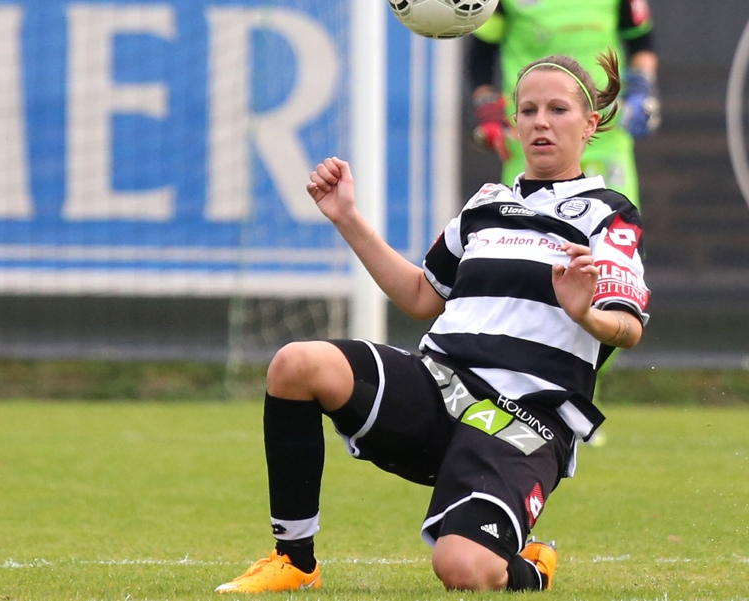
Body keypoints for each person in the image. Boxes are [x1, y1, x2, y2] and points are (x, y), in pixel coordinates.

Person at [215, 50, 650, 594]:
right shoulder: (486, 205)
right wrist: (347, 218)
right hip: (437, 385)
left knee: (463, 570)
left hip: (522, 417)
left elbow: (629, 328)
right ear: (514, 121)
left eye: (558, 110)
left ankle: (528, 567)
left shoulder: (608, 213)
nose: (541, 122)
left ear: (589, 125)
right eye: (529, 109)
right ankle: (295, 559)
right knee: (296, 364)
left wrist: (584, 311)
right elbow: (423, 295)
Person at [470, 0, 660, 208]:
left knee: (614, 244)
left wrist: (642, 90)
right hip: (534, 140)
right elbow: (481, 56)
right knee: (529, 245)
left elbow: (641, 41)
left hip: (603, 134)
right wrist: (487, 108)